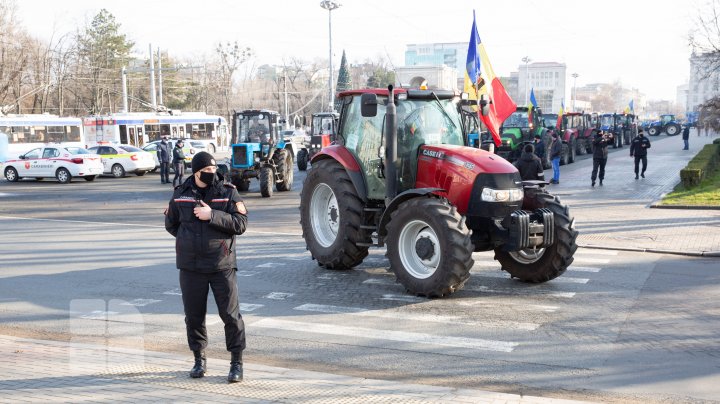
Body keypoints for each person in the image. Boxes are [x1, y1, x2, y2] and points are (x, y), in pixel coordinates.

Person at [165, 151, 248, 383]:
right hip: (191, 267)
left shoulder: (228, 191)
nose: (213, 174)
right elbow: (171, 224)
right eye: (208, 172)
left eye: (214, 170)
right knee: (193, 317)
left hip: (221, 265)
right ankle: (199, 360)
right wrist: (188, 242)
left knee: (231, 317)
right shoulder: (181, 194)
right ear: (197, 172)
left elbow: (241, 224)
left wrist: (212, 215)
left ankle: (236, 363)